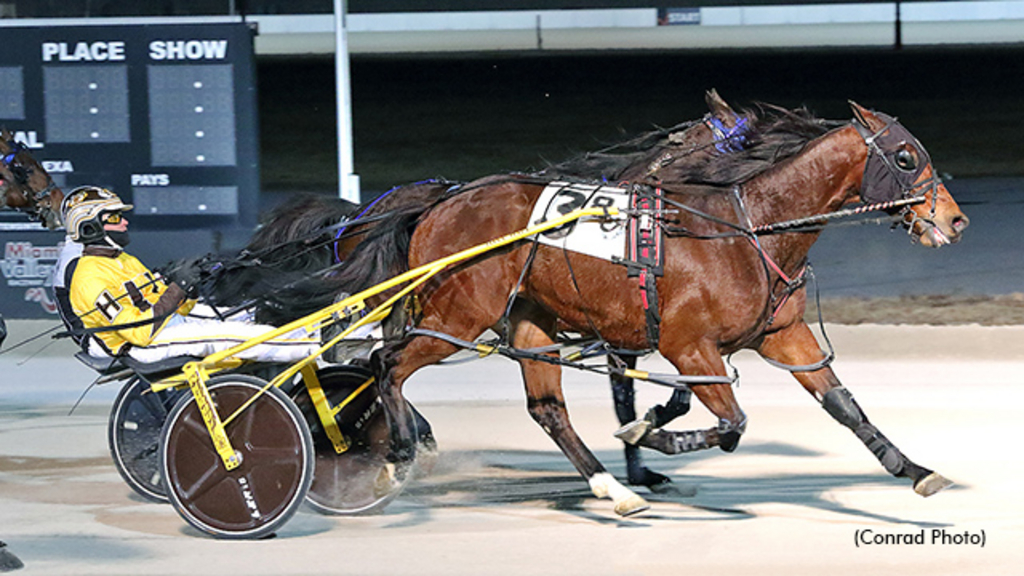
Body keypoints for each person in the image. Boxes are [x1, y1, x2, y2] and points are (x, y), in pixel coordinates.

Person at [57, 185, 319, 364]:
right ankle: (318, 348)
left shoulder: (123, 259)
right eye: (114, 218)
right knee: (232, 337)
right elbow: (139, 333)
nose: (124, 222)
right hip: (140, 346)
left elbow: (171, 305)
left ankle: (314, 328)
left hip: (164, 327)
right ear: (90, 227)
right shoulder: (88, 278)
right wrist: (178, 286)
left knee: (247, 314)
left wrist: (189, 286)